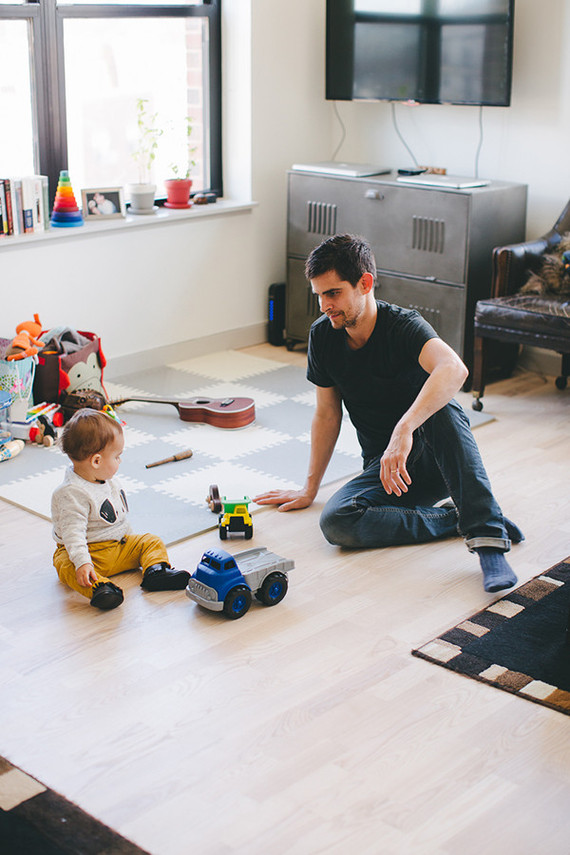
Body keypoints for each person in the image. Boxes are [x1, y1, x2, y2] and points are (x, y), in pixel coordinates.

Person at [254, 233, 523, 593]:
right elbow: (327, 416)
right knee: (336, 523)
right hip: (388, 472)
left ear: (364, 283)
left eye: (332, 293)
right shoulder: (323, 337)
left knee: (445, 409)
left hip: (437, 462)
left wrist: (405, 428)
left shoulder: (404, 327)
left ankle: (488, 539)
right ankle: (452, 519)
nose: (323, 305)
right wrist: (309, 488)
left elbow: (455, 369)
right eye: (318, 294)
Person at [51, 408, 190, 610]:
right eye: (117, 456)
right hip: (89, 554)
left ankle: (155, 572)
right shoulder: (71, 493)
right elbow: (73, 535)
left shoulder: (108, 481)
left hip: (117, 547)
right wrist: (83, 562)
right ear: (96, 461)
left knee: (151, 541)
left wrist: (130, 541)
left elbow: (120, 519)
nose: (120, 461)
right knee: (67, 566)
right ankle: (101, 589)